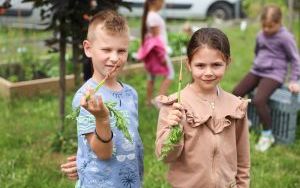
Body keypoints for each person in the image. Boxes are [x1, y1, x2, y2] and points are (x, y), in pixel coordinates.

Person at [155, 28, 250, 187]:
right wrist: (174, 131)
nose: (208, 72)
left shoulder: (236, 107)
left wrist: (242, 185)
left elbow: (243, 158)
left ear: (227, 63)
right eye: (200, 65)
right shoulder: (175, 106)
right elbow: (165, 157)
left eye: (216, 65)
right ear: (189, 64)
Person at [69, 10, 144, 187]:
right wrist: (102, 119)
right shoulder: (86, 97)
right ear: (88, 49)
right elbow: (103, 153)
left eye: (121, 50)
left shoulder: (131, 94)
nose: (114, 58)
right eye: (106, 50)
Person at [232, 4, 300, 152]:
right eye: (264, 26)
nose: (267, 30)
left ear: (279, 21)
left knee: (258, 100)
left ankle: (267, 134)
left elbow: (295, 60)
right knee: (235, 93)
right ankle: (245, 122)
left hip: (274, 74)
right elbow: (258, 51)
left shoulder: (285, 37)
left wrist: (294, 80)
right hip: (257, 70)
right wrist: (257, 67)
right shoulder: (260, 35)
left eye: (271, 26)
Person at [137, 0, 174, 107]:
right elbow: (156, 39)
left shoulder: (149, 16)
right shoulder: (153, 17)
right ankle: (160, 101)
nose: (163, 3)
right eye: (162, 1)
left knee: (151, 77)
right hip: (159, 52)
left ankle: (148, 102)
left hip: (153, 52)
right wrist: (162, 56)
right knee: (170, 74)